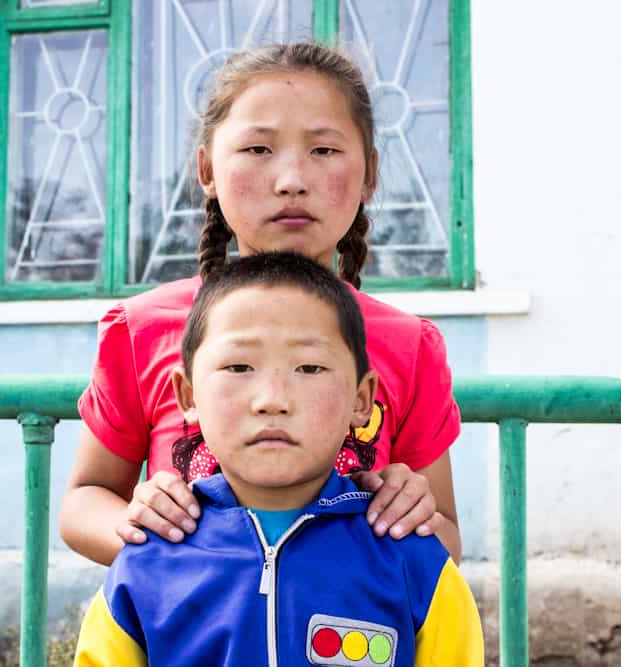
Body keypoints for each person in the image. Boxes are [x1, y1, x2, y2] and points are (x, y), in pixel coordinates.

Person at [61, 42, 464, 566]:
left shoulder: (409, 346)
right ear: (207, 169)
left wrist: (411, 513)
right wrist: (145, 533)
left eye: (323, 150)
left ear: (369, 174)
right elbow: (82, 501)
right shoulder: (142, 332)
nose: (291, 181)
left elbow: (448, 538)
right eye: (258, 149)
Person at [73, 252, 483, 667]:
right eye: (238, 366)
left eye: (308, 367)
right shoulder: (146, 566)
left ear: (362, 400)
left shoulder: (413, 563)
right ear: (188, 395)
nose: (272, 400)